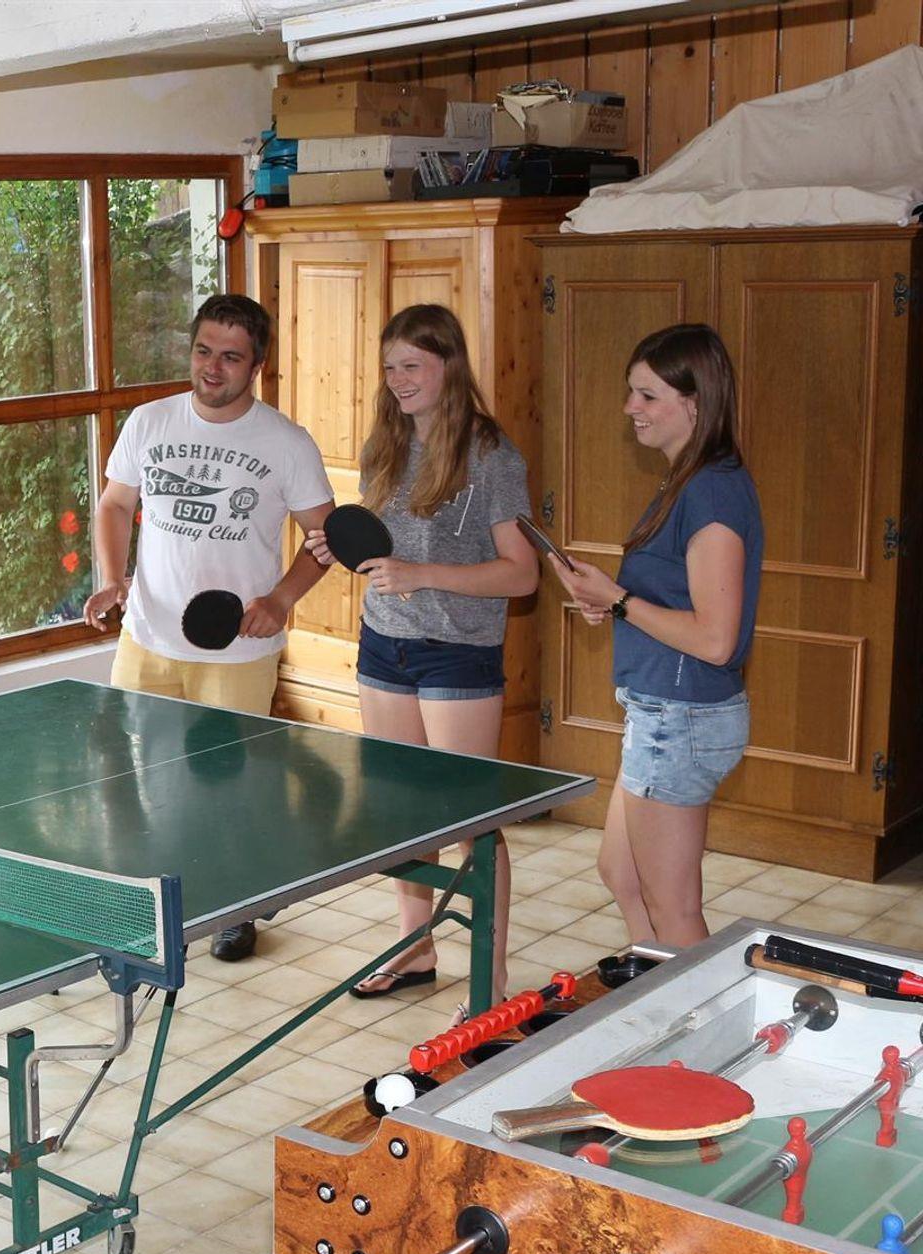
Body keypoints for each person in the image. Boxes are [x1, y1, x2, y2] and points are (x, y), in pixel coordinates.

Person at [84, 293, 334, 961]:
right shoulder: (149, 422)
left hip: (238, 651)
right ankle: (145, 899)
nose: (212, 367)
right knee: (135, 782)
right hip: (148, 638)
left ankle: (238, 904)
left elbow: (326, 538)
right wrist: (113, 577)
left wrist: (281, 599)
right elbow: (115, 504)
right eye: (203, 351)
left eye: (230, 356)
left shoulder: (286, 443)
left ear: (257, 365)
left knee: (232, 789)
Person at [305, 304, 539, 1010]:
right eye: (389, 367)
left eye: (412, 365)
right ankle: (414, 951)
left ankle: (491, 981)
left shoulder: (493, 456)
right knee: (403, 814)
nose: (398, 380)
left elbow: (522, 573)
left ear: (449, 365)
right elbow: (382, 548)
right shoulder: (386, 442)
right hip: (384, 642)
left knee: (471, 822)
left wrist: (423, 574)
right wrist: (337, 548)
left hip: (457, 652)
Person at [553, 323, 761, 949]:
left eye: (647, 395)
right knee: (621, 872)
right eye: (631, 392)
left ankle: (696, 1006)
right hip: (664, 711)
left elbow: (716, 639)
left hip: (682, 715)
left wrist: (620, 600)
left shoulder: (711, 491)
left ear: (695, 403)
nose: (630, 408)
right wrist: (612, 604)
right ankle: (656, 986)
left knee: (673, 908)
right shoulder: (689, 480)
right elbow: (673, 601)